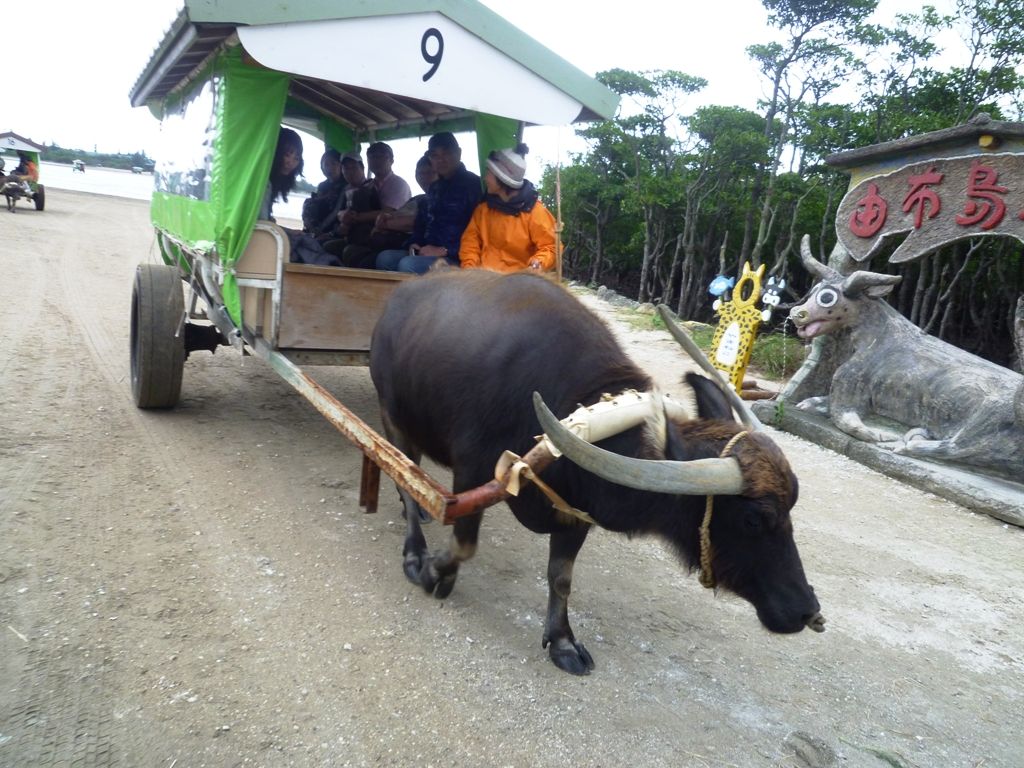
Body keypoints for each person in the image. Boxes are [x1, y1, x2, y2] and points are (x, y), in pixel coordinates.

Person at [375, 131, 481, 274]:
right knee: (385, 258)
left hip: (457, 257)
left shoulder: (473, 186)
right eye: (435, 155)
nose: (440, 160)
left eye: (446, 153)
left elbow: (479, 232)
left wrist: (445, 250)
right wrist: (414, 243)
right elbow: (421, 224)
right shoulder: (434, 189)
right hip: (428, 252)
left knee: (408, 265)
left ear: (459, 153)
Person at [459, 144, 557, 274]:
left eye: (488, 173)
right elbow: (470, 244)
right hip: (485, 279)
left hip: (520, 280)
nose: (485, 178)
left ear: (502, 179)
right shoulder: (483, 210)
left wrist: (538, 263)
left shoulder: (535, 212)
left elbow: (551, 247)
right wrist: (470, 270)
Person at [338, 142, 412, 268]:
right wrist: (344, 216)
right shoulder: (367, 185)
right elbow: (347, 210)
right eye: (372, 157)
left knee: (352, 253)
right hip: (365, 237)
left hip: (391, 237)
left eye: (381, 156)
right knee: (332, 247)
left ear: (391, 160)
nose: (376, 160)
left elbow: (388, 212)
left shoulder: (399, 184)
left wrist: (356, 217)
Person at [258, 128, 303, 222]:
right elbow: (262, 224)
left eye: (296, 158)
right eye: (287, 155)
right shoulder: (264, 182)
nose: (291, 163)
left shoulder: (273, 181)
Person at [302, 148, 345, 237]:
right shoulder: (322, 186)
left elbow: (337, 210)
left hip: (336, 226)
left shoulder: (346, 185)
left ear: (341, 166)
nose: (330, 168)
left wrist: (321, 230)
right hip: (317, 227)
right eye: (326, 164)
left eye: (333, 163)